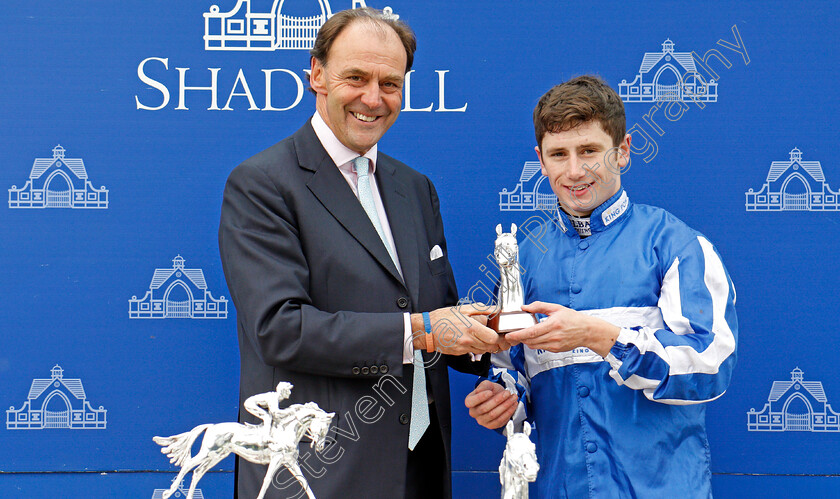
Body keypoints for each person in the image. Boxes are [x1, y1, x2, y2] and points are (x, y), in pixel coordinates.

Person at [218, 8, 502, 499]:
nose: (373, 98)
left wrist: (497, 336)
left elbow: (439, 310)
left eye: (390, 83)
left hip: (420, 468)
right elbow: (280, 329)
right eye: (356, 77)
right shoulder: (262, 184)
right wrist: (425, 330)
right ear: (317, 75)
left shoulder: (415, 188)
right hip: (320, 474)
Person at [465, 75, 738, 498]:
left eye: (589, 151)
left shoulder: (675, 243)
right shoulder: (521, 258)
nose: (575, 171)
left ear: (622, 151)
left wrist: (600, 337)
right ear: (541, 160)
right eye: (559, 154)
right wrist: (503, 400)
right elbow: (512, 369)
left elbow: (711, 367)